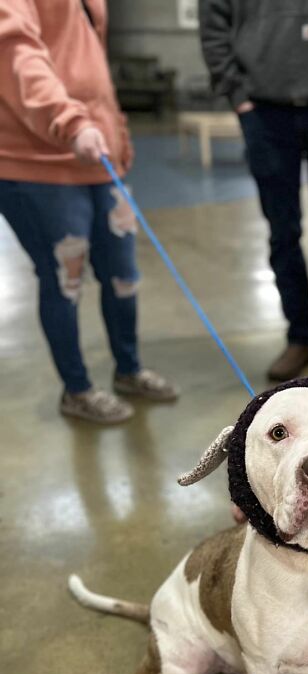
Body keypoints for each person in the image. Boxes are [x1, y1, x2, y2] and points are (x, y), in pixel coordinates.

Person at [0, 0, 178, 425]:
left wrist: (117, 133)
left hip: (97, 156)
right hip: (39, 163)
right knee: (64, 280)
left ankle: (129, 369)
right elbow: (17, 55)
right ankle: (76, 389)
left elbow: (93, 67)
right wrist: (71, 122)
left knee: (122, 276)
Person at [199, 0, 308, 381]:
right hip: (265, 114)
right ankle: (300, 339)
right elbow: (213, 24)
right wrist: (237, 95)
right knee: (284, 234)